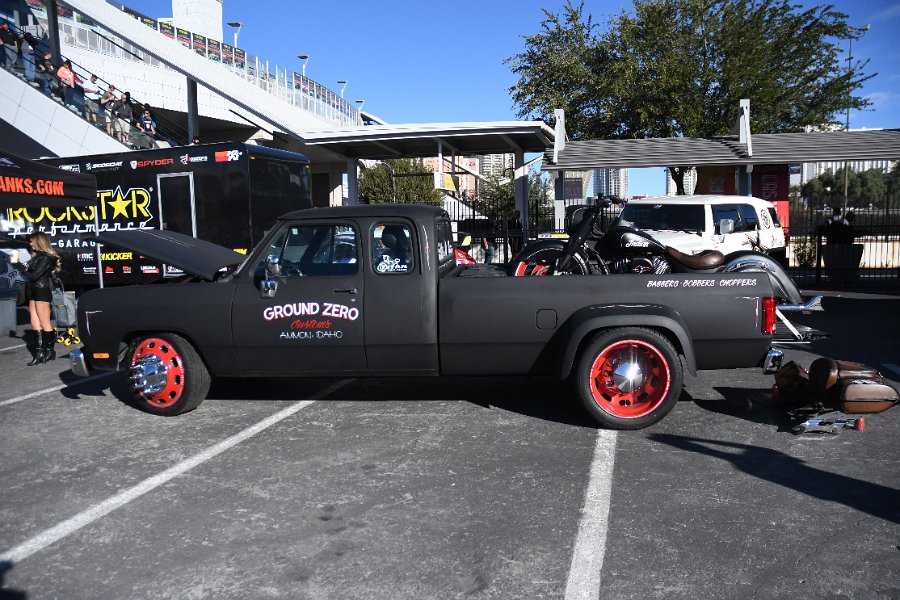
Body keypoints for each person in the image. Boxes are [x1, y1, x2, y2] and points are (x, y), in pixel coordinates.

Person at [10, 233, 60, 366]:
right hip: (32, 291)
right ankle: (39, 353)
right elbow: (29, 276)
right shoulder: (37, 256)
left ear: (39, 241)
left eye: (32, 241)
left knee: (45, 323)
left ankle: (50, 351)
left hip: (42, 291)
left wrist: (17, 264)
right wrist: (17, 263)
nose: (30, 244)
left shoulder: (47, 257)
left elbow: (34, 276)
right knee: (35, 323)